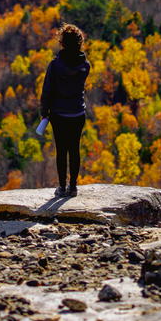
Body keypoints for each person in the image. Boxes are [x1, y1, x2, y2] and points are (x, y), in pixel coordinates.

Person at [40, 23, 90, 196]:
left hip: (59, 114)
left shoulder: (55, 66)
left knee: (61, 150)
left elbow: (47, 91)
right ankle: (73, 187)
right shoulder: (85, 66)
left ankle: (62, 187)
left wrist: (44, 111)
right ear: (79, 43)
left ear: (62, 43)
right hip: (78, 112)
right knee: (74, 149)